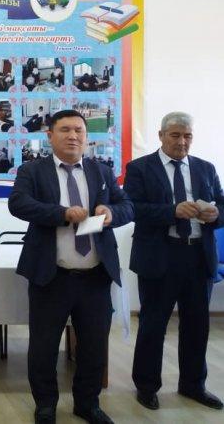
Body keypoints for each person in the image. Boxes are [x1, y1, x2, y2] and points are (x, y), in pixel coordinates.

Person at [8, 109, 133, 424]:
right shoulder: (32, 170)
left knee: (93, 346)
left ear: (87, 137)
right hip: (52, 276)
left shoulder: (101, 171)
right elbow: (18, 204)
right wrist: (62, 213)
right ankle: (45, 405)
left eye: (79, 130)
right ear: (49, 135)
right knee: (44, 347)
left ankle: (87, 404)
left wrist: (111, 213)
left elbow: (127, 206)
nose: (73, 136)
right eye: (65, 130)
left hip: (95, 276)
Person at [125, 111, 224, 411]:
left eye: (187, 136)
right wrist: (172, 211)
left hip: (198, 256)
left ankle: (193, 385)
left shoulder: (206, 168)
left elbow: (222, 205)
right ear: (161, 136)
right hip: (160, 255)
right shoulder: (140, 168)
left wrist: (216, 215)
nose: (182, 142)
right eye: (175, 135)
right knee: (153, 324)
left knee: (197, 325)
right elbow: (132, 208)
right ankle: (146, 386)